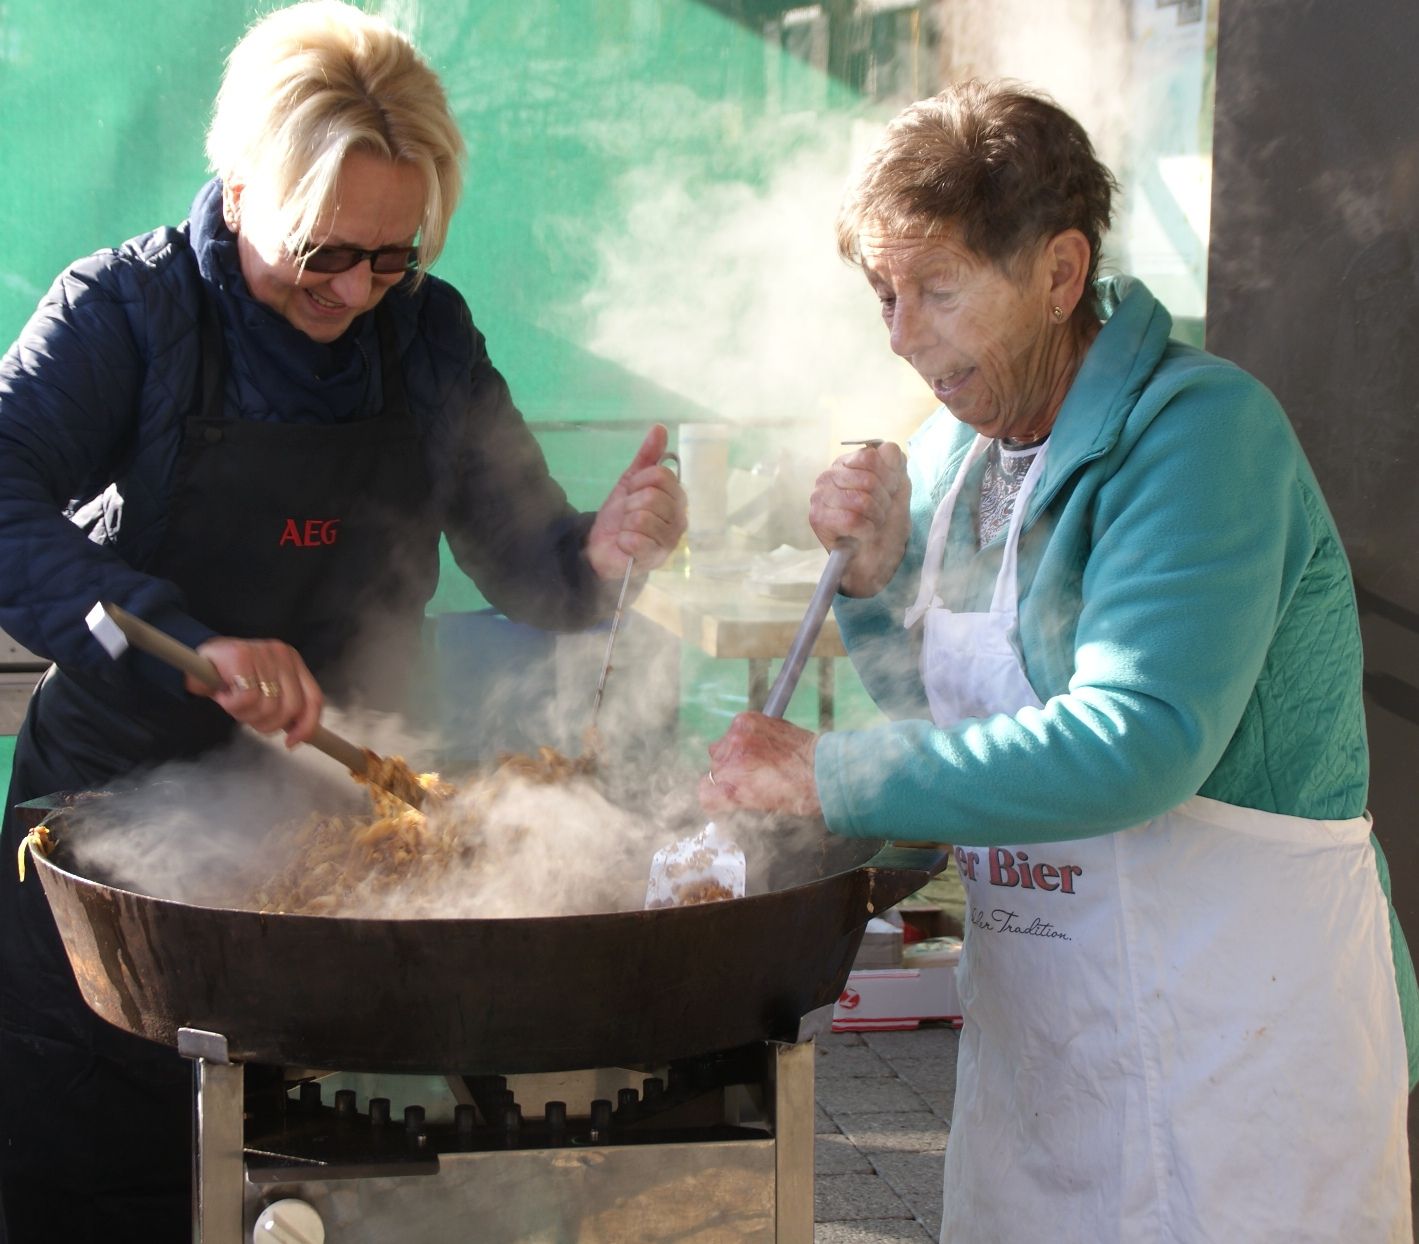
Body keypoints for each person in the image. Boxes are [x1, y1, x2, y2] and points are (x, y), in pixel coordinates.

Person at [0, 3, 686, 1240]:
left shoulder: (427, 337)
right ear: (241, 187)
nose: (356, 290)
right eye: (323, 251)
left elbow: (529, 557)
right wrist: (180, 634)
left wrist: (597, 551)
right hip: (119, 824)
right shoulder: (128, 312)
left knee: (332, 1176)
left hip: (346, 816)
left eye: (391, 257)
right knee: (106, 1165)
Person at [701, 80, 1417, 1242]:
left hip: (1242, 1048)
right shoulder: (956, 457)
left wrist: (830, 773)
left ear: (1060, 272)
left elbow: (1139, 742)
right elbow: (963, 730)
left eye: (937, 289)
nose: (901, 334)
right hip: (1052, 1052)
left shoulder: (1203, 436)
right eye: (885, 294)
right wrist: (874, 592)